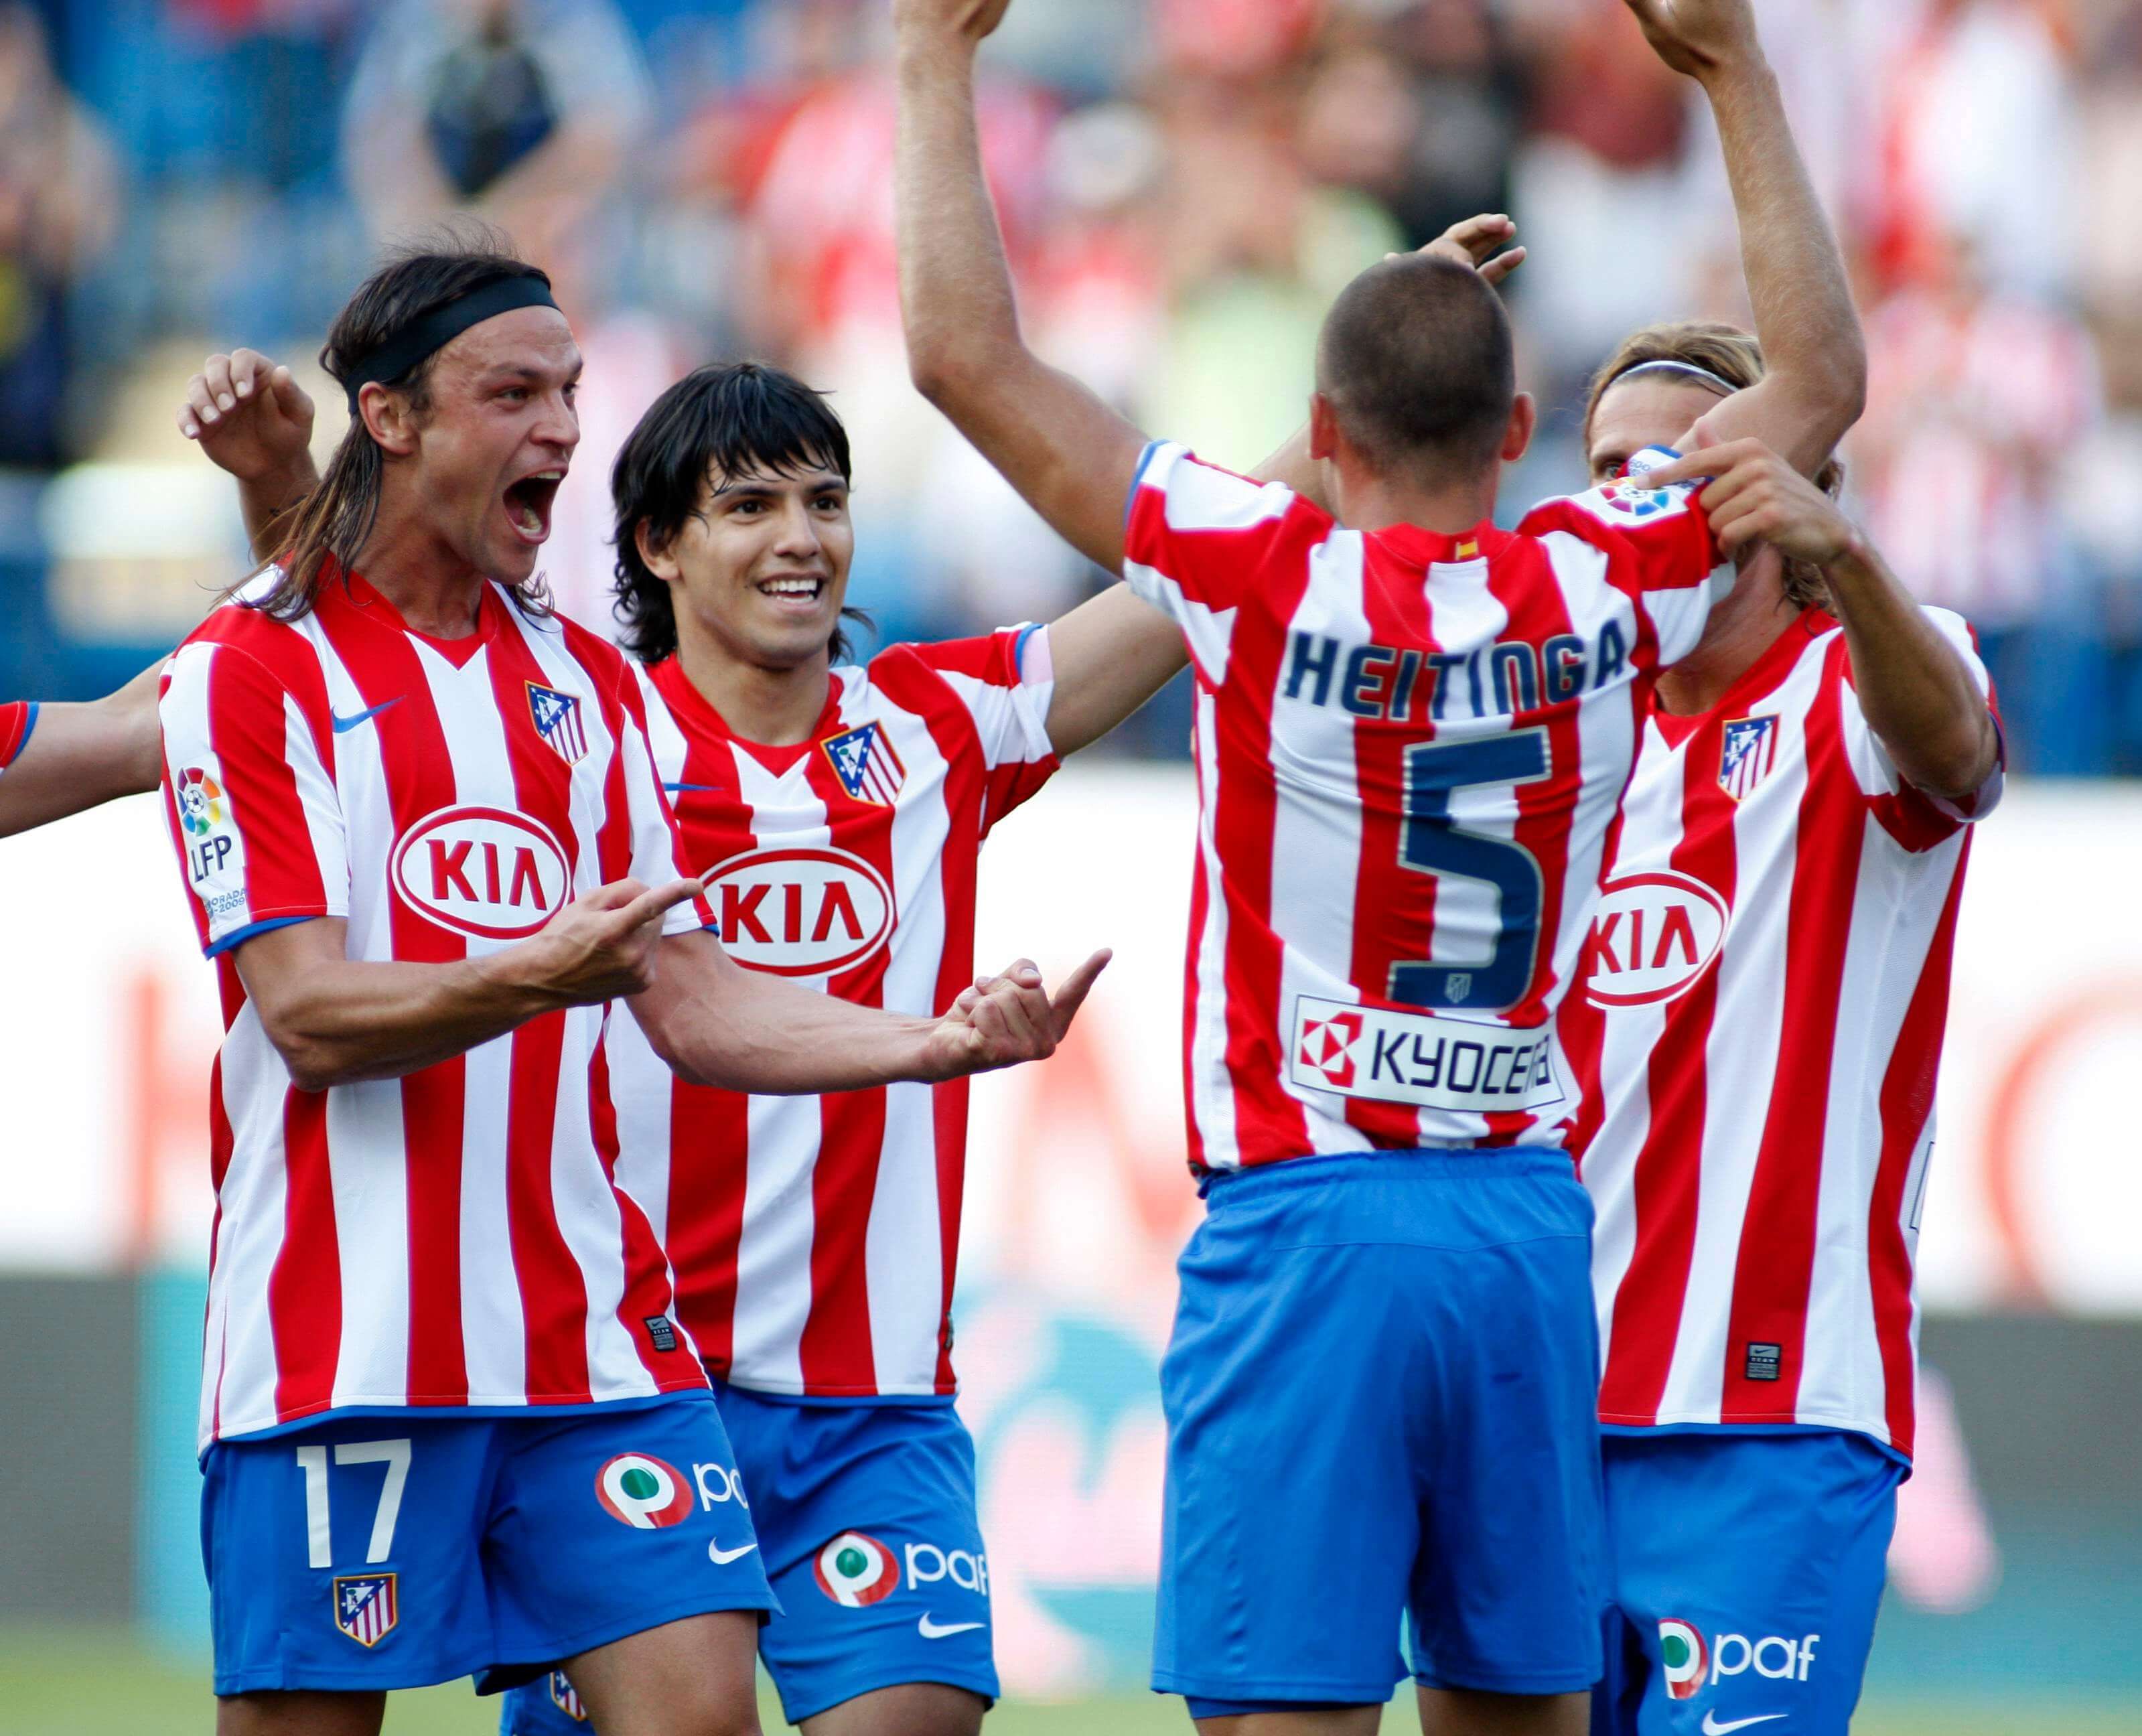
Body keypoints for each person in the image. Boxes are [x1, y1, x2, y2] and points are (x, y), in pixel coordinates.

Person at [0, 214, 1530, 1736]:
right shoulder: (451, 695)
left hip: (656, 1371)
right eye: (748, 505)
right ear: (660, 547)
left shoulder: (801, 717)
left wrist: (928, 1043)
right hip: (367, 1354)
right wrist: (286, 494)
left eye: (825, 502)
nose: (798, 537)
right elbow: (311, 951)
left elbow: (1170, 601)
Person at [887, 1, 1861, 1731]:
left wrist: (931, 56)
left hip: (1305, 1220)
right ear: (1515, 436)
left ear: (1320, 435)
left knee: (1285, 1709)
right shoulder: (1599, 580)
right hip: (1515, 1226)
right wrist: (1728, 69)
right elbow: (1821, 390)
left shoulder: (1257, 569)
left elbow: (966, 360)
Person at [121, 236, 1103, 1736]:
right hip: (344, 1348)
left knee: (696, 1705)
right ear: (392, 421)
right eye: (516, 394)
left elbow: (691, 998)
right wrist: (544, 966)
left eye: (571, 393)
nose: (564, 431)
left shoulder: (584, 691)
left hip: (591, 1349)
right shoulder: (244, 676)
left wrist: (933, 1040)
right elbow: (310, 1017)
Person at [1563, 330, 2001, 1733]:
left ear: (1779, 492)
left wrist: (1855, 558)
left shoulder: (1857, 690)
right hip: (1537, 1411)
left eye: (1673, 465)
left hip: (1772, 1419)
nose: (1633, 494)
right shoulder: (1565, 733)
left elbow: (1961, 760)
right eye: (1606, 468)